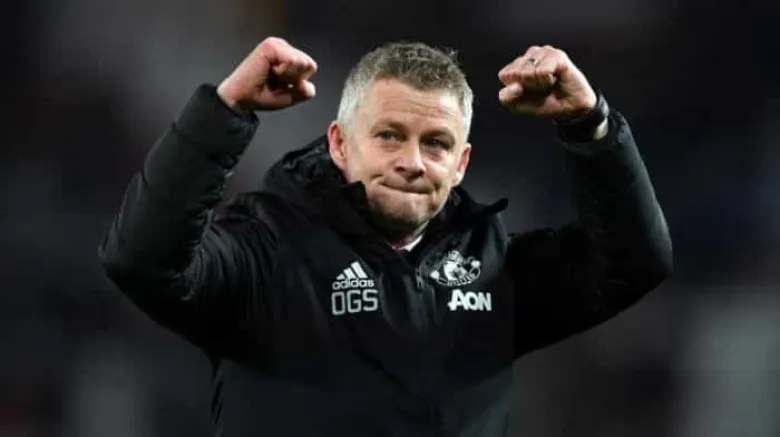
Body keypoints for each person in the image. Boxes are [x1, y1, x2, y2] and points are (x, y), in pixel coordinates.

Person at [98, 36, 672, 436]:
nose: (412, 162)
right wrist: (223, 112)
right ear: (339, 144)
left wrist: (591, 125)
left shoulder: (492, 266)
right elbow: (141, 261)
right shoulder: (265, 248)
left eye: (436, 144)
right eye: (389, 135)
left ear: (461, 164)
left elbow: (634, 264)